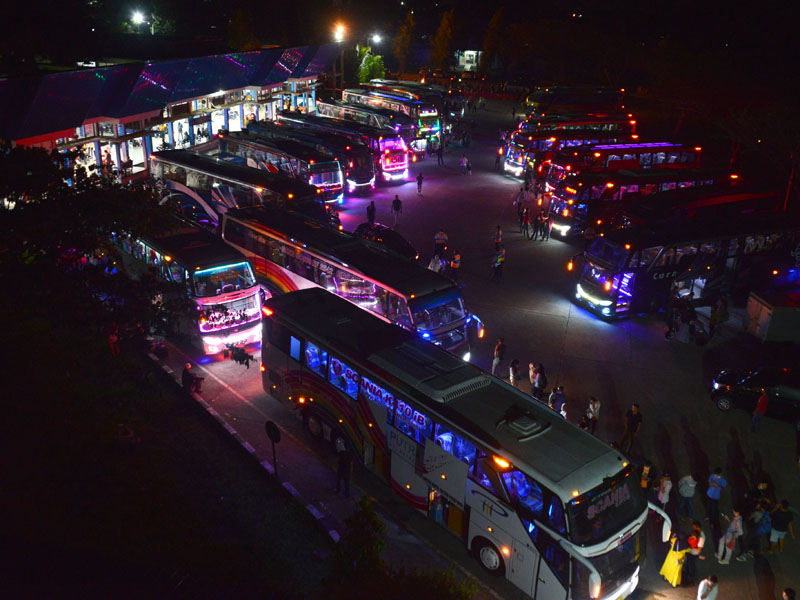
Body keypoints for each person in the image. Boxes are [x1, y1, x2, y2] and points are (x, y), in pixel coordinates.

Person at [683, 521, 706, 586]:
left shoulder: (701, 537)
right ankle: (688, 575)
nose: (693, 528)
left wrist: (690, 548)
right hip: (691, 551)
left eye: (694, 527)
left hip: (694, 553)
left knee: (691, 565)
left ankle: (691, 579)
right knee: (688, 563)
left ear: (697, 527)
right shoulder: (696, 533)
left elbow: (699, 549)